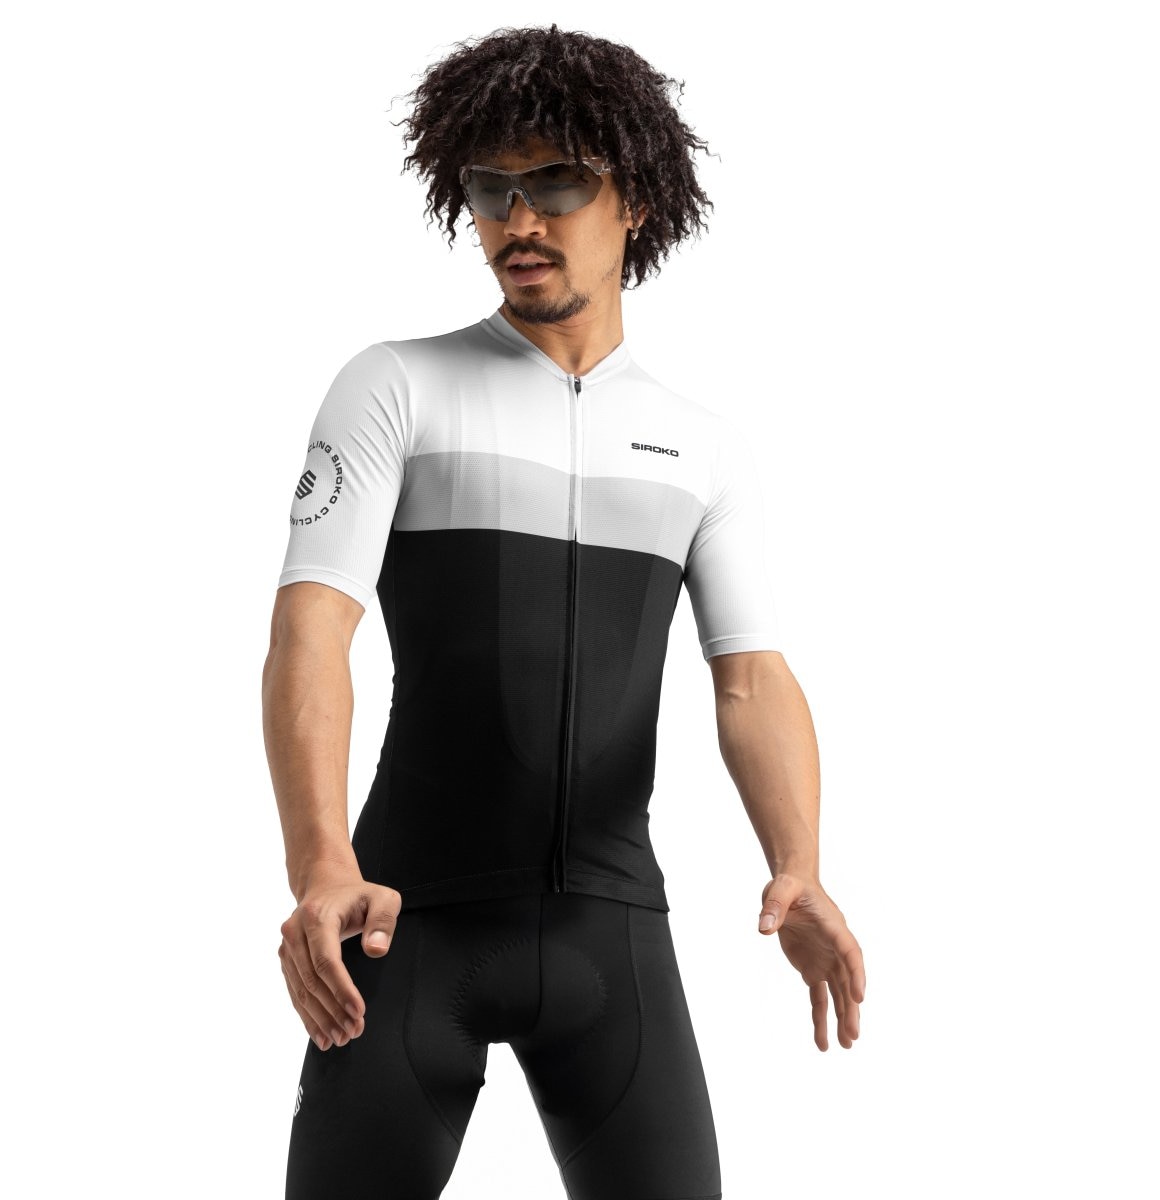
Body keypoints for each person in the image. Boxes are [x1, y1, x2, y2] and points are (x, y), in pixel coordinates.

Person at [262, 24, 865, 1200]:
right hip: (400, 922)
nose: (518, 219)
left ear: (634, 196)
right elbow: (310, 629)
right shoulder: (397, 387)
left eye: (555, 183)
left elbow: (751, 677)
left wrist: (798, 864)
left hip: (610, 935)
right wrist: (321, 865)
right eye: (492, 189)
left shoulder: (701, 445)